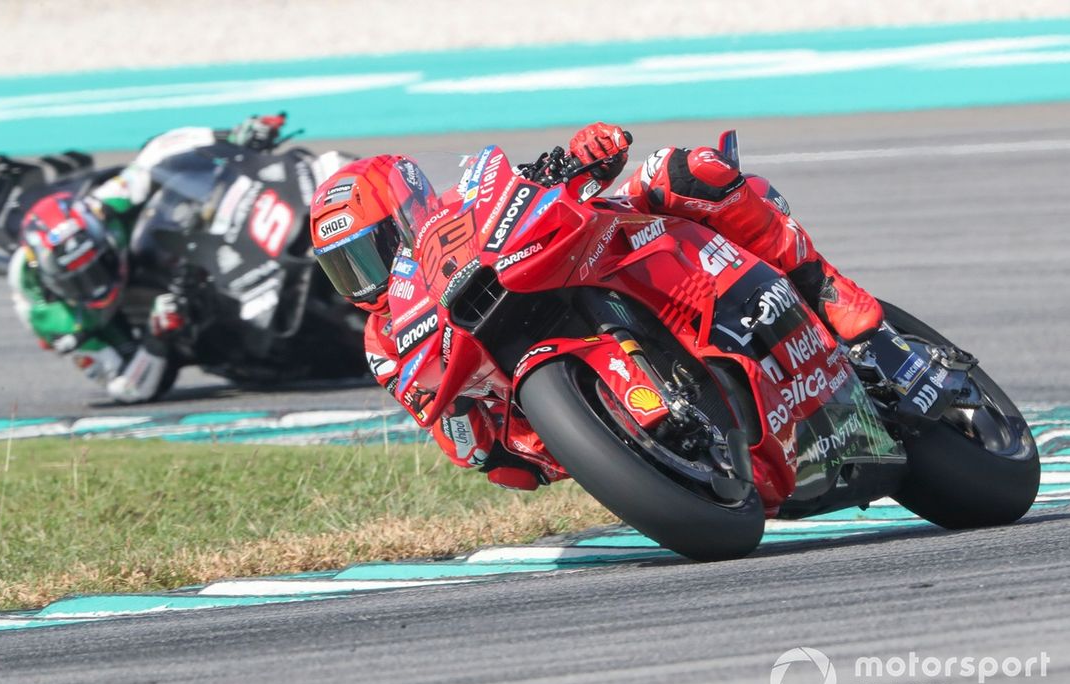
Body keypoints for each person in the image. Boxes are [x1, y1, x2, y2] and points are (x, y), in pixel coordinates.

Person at [309, 123, 883, 490]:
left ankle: (824, 286)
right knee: (505, 464)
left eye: (369, 253)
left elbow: (535, 185)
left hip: (612, 254)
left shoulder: (464, 205)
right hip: (540, 409)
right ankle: (647, 447)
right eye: (346, 269)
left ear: (408, 209)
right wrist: (517, 435)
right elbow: (465, 443)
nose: (366, 280)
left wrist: (581, 159)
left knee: (683, 172)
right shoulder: (385, 342)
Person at [9, 114, 288, 403]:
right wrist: (156, 337)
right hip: (114, 320)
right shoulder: (59, 323)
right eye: (80, 282)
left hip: (144, 244)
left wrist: (231, 136)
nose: (97, 284)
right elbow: (126, 388)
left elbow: (157, 151)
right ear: (56, 285)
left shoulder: (104, 206)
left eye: (98, 268)